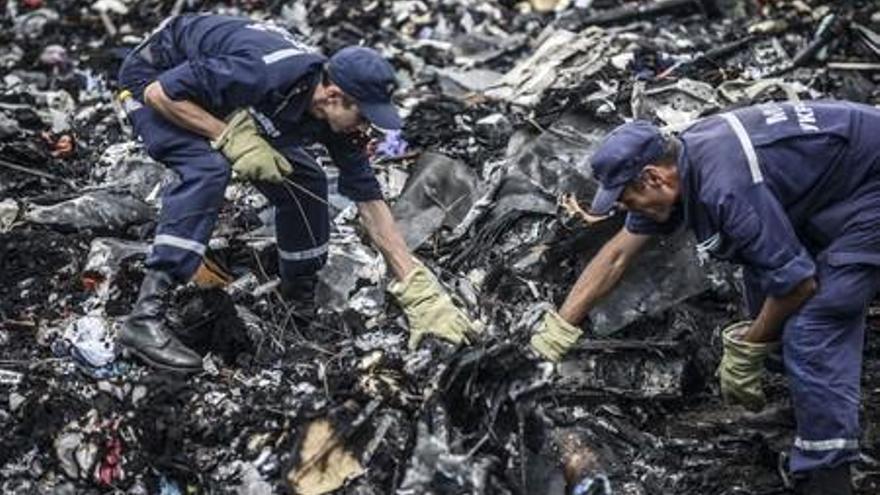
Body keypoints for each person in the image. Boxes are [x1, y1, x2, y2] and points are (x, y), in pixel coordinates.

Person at [527, 100, 880, 494]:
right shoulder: (681, 159)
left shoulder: (726, 189)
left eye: (627, 200)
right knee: (762, 291)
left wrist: (747, 350)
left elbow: (799, 285)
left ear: (653, 179)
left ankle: (826, 475)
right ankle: (806, 408)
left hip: (871, 188)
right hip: (837, 181)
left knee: (813, 326)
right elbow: (617, 254)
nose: (628, 210)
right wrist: (556, 331)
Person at [116, 14, 477, 373]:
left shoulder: (335, 120)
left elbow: (370, 202)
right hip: (156, 77)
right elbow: (160, 93)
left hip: (218, 91)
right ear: (334, 96)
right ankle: (145, 317)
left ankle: (297, 304)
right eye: (364, 116)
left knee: (306, 181)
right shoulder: (263, 73)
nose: (366, 127)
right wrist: (229, 136)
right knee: (208, 167)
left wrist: (416, 288)